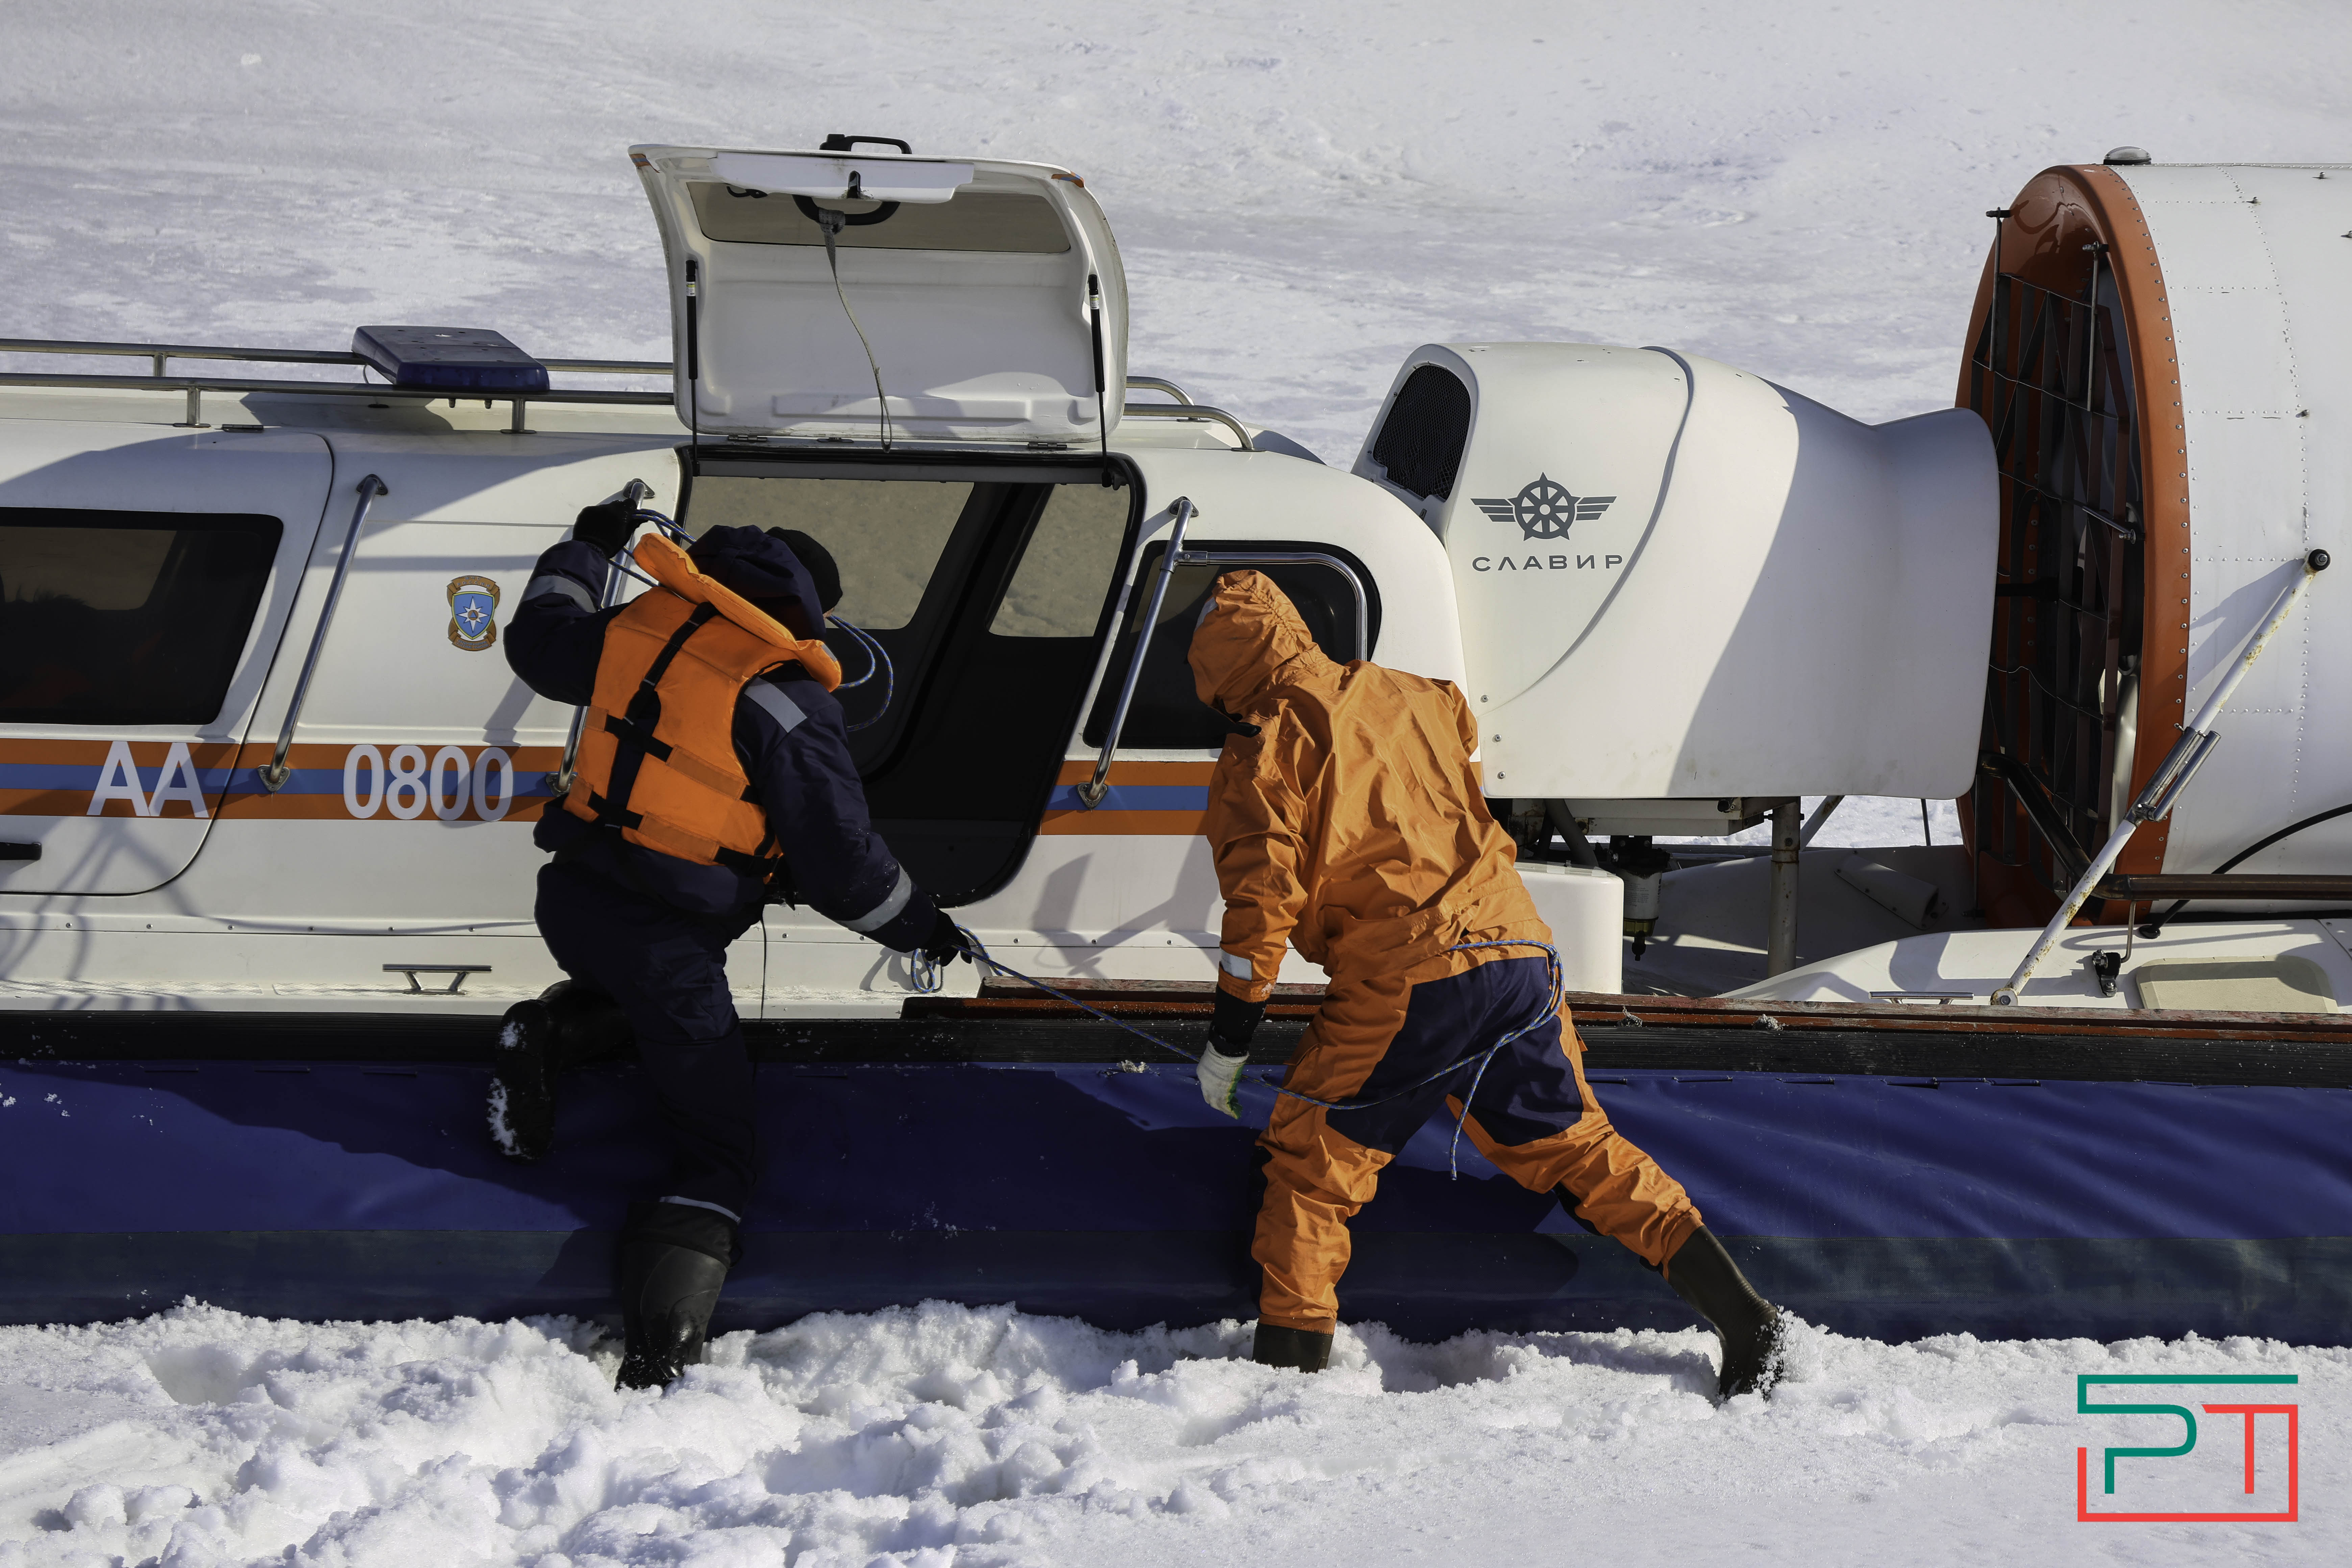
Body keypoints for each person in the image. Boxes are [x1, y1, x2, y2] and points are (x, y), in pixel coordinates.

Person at [1186, 570, 1783, 1399]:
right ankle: (1748, 1320)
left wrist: (1229, 1040)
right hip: (1517, 950)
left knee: (1311, 1175)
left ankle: (1290, 1392)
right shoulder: (1406, 692)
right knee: (1580, 1147)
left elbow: (1259, 910)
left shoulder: (1261, 752)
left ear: (1218, 671)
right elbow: (1458, 729)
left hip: (1409, 977)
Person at [497, 497, 965, 1389]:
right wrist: (924, 926)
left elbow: (540, 634)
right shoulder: (785, 699)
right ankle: (660, 1359)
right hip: (663, 942)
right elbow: (846, 866)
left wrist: (590, 546)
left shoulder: (642, 623)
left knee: (650, 1000)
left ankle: (557, 1032)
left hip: (571, 906)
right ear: (811, 611)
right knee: (719, 1146)